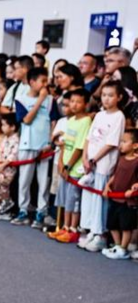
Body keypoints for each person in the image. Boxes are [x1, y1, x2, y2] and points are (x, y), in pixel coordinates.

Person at [78, 81, 126, 252]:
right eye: (104, 95)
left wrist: (94, 159)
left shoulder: (119, 116)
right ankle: (90, 229)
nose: (106, 99)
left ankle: (101, 234)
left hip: (104, 163)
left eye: (111, 95)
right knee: (89, 197)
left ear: (119, 97)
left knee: (100, 199)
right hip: (90, 162)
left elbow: (111, 143)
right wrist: (85, 157)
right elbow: (88, 138)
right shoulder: (99, 115)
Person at [11, 67, 54, 228]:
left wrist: (50, 142)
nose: (45, 84)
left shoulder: (51, 100)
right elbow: (27, 120)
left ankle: (41, 212)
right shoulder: (21, 99)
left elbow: (54, 122)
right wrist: (40, 100)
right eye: (42, 81)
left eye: (46, 80)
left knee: (44, 182)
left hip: (44, 146)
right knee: (24, 180)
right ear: (32, 82)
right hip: (27, 144)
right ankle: (23, 210)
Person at [50, 89, 91, 243]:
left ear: (86, 104)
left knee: (74, 200)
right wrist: (61, 163)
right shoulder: (71, 120)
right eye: (72, 101)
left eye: (78, 102)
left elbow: (79, 148)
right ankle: (65, 227)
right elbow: (65, 145)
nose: (74, 105)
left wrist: (68, 167)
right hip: (65, 166)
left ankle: (73, 229)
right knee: (65, 199)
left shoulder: (86, 121)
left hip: (75, 169)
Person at [102, 128, 138, 259]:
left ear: (135, 145)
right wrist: (107, 186)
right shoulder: (121, 158)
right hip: (115, 198)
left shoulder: (136, 161)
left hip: (128, 201)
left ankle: (123, 249)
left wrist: (134, 189)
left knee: (126, 226)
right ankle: (117, 245)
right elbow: (115, 174)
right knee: (112, 224)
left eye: (124, 141)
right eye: (121, 141)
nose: (121, 144)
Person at [0, 114, 21, 220]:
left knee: (1, 184)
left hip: (8, 169)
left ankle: (8, 203)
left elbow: (13, 155)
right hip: (0, 167)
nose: (2, 127)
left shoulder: (16, 139)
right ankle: (2, 205)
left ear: (12, 127)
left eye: (4, 125)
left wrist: (3, 165)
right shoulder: (4, 139)